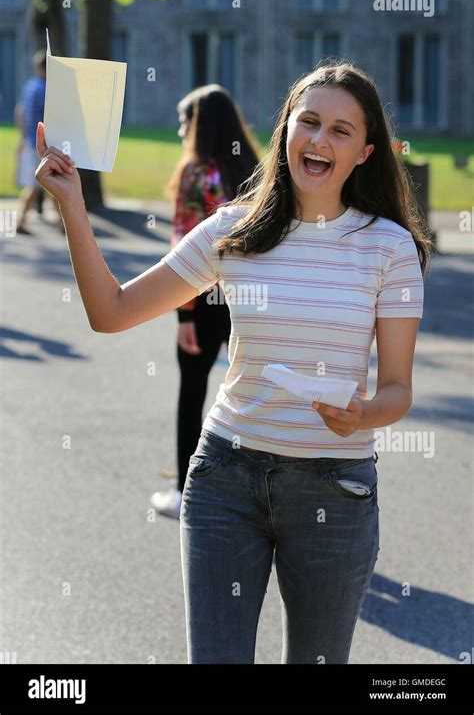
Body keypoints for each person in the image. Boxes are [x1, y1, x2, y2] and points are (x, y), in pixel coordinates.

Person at [34, 60, 433, 664]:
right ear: (286, 130)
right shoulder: (234, 230)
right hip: (225, 478)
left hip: (335, 487)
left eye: (341, 130)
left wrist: (364, 413)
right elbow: (111, 312)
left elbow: (398, 390)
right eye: (309, 122)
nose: (320, 140)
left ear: (364, 152)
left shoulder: (389, 248)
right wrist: (71, 204)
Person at [150, 85, 260, 519]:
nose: (181, 130)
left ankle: (185, 491)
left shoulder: (197, 173)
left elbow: (183, 246)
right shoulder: (253, 171)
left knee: (192, 394)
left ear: (200, 124)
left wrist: (185, 315)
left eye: (185, 121)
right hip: (248, 297)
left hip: (203, 297)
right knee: (249, 394)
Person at [16, 48, 61, 234]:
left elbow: (20, 111)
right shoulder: (45, 89)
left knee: (45, 184)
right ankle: (20, 222)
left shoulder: (30, 86)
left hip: (29, 140)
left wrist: (22, 137)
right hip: (40, 145)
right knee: (38, 185)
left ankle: (62, 223)